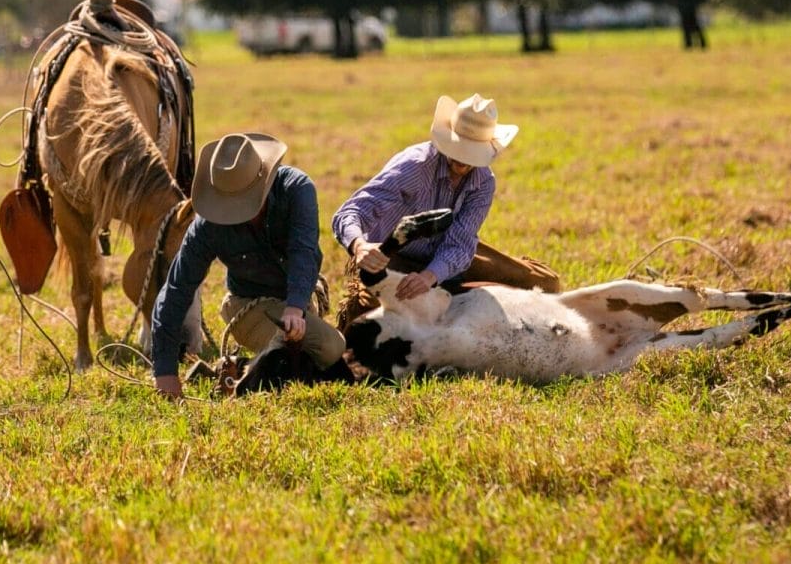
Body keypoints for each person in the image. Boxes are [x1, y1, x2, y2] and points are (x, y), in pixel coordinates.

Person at [151, 133, 348, 400]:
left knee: (331, 349)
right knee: (326, 348)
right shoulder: (208, 226)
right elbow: (177, 288)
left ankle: (240, 367)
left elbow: (304, 250)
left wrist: (295, 306)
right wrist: (164, 372)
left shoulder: (297, 189)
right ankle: (243, 370)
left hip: (294, 303)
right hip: (247, 306)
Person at [333, 94, 561, 315]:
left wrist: (429, 276)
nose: (462, 158)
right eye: (458, 148)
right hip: (392, 256)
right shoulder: (415, 165)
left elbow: (460, 242)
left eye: (471, 152)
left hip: (445, 255)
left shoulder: (484, 182)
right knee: (376, 312)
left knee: (544, 285)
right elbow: (351, 211)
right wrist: (360, 246)